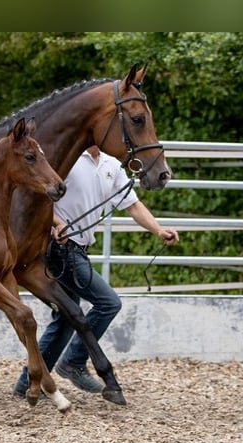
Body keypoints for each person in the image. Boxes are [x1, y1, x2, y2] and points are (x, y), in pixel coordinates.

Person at [13, 145, 179, 397]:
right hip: (61, 247)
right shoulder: (67, 157)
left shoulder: (111, 165)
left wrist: (158, 230)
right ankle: (74, 362)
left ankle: (28, 382)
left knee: (67, 317)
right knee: (108, 302)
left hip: (78, 249)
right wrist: (57, 223)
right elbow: (39, 198)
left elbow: (133, 205)